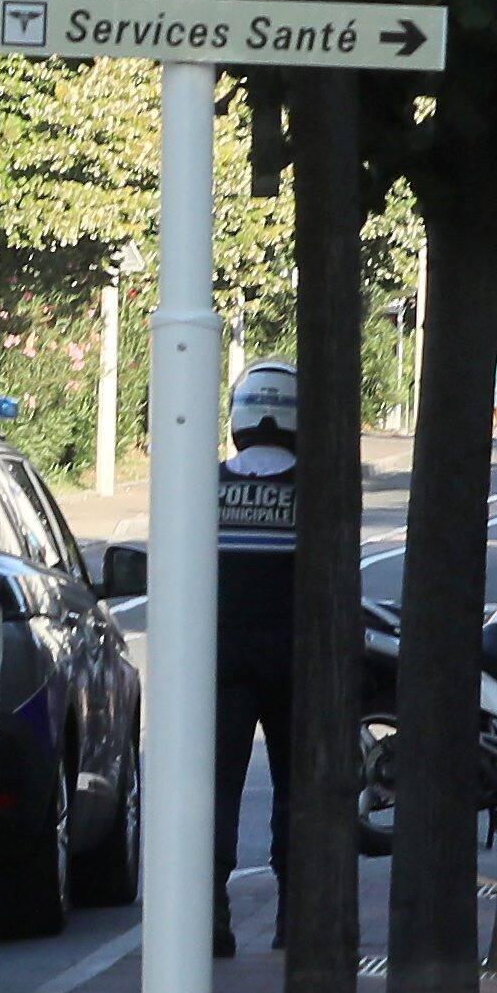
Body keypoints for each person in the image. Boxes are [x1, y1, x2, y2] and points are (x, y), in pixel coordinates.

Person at [210, 362, 302, 960]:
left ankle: (211, 920)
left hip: (219, 660)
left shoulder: (209, 486)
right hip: (296, 659)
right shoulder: (313, 487)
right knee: (297, 789)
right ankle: (295, 916)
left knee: (216, 789)